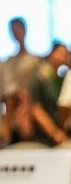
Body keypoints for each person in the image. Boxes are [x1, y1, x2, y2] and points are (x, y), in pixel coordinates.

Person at [1, 17, 40, 145]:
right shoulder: (8, 62)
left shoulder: (35, 60)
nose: (16, 33)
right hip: (12, 112)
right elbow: (8, 93)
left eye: (18, 29)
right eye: (13, 30)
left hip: (31, 108)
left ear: (24, 30)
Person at [29, 41, 70, 146]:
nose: (63, 58)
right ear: (52, 53)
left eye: (66, 55)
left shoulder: (61, 79)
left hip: (60, 133)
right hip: (43, 136)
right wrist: (54, 133)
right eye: (61, 54)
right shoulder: (40, 79)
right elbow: (36, 109)